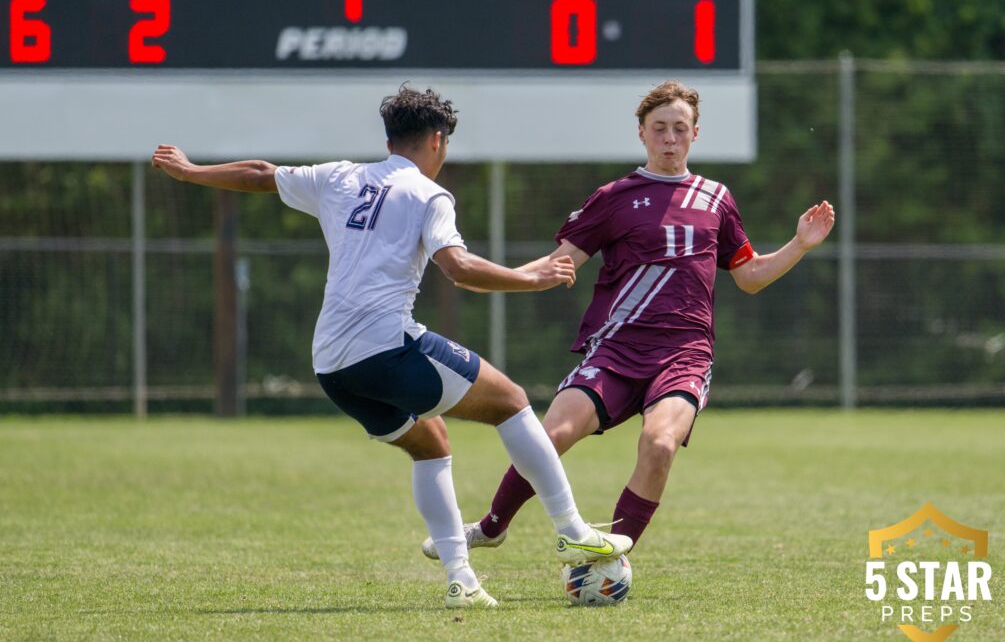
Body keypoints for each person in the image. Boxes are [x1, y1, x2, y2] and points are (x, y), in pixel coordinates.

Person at [150, 85, 631, 610]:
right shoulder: (428, 193)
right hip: (388, 347)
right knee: (513, 401)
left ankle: (461, 581)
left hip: (332, 364)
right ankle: (571, 529)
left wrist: (191, 171)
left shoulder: (340, 177)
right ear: (437, 140)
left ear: (388, 139)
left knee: (431, 443)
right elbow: (461, 270)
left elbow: (263, 174)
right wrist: (532, 280)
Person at [422, 80, 835, 559]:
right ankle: (492, 526)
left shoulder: (716, 199)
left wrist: (800, 244)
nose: (670, 138)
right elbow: (561, 261)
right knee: (550, 435)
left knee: (659, 445)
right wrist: (492, 276)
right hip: (617, 350)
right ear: (641, 133)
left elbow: (750, 276)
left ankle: (610, 560)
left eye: (680, 129)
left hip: (685, 354)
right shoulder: (616, 196)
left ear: (695, 135)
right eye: (659, 128)